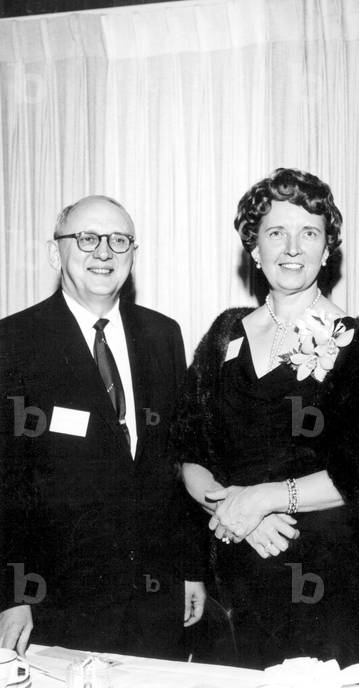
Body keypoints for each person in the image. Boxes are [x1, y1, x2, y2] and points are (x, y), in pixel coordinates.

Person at [175, 169, 359, 671]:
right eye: (275, 233)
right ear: (253, 249)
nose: (292, 248)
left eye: (309, 233)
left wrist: (263, 499)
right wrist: (234, 510)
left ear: (328, 251)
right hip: (232, 573)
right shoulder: (223, 333)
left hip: (324, 585)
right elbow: (186, 451)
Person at [0, 195, 206, 657]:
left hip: (155, 600)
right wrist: (10, 595)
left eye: (118, 240)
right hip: (56, 603)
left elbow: (178, 460)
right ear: (57, 253)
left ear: (133, 256)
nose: (104, 252)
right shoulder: (12, 342)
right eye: (87, 238)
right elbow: (6, 484)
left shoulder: (163, 335)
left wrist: (192, 569)